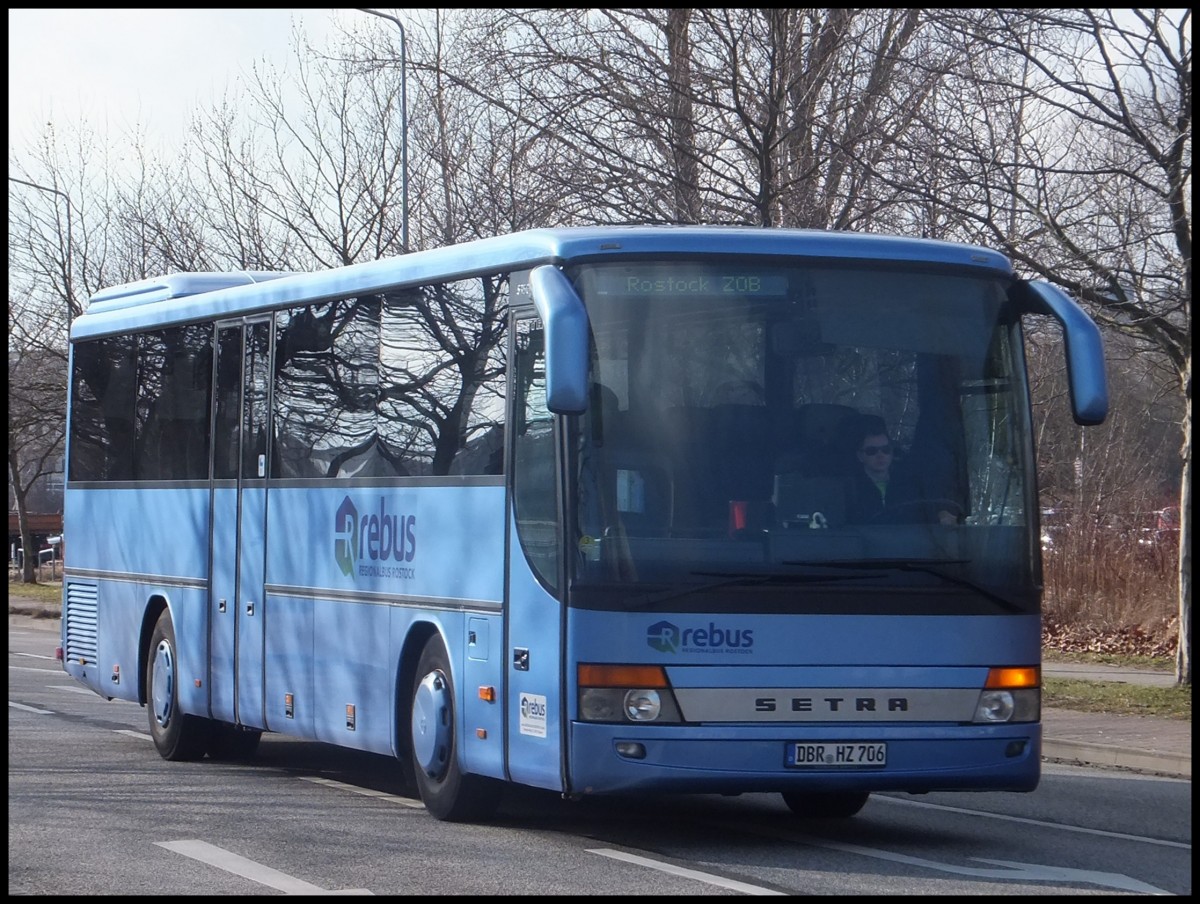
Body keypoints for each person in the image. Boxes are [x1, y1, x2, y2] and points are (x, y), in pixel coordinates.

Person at [844, 415, 959, 525]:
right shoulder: (848, 490)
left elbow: (924, 514)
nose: (880, 455)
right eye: (871, 451)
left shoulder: (909, 485)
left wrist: (941, 515)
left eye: (885, 449)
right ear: (860, 456)